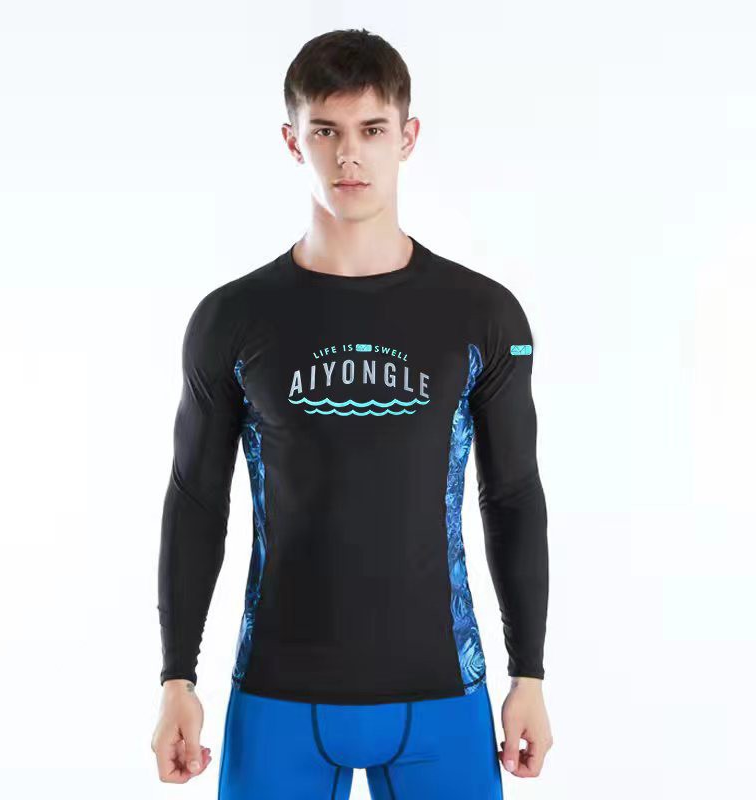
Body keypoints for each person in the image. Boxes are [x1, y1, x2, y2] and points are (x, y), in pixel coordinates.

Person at [150, 27, 552, 800]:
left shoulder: (481, 315)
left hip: (443, 690)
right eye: (325, 132)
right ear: (292, 141)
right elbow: (196, 500)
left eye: (371, 130)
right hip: (278, 692)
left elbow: (511, 496)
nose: (348, 156)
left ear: (408, 137)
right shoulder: (233, 319)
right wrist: (177, 678)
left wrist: (527, 672)